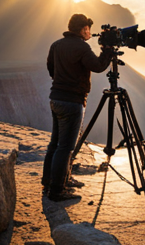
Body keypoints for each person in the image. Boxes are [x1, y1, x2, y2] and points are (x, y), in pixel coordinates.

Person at [43, 14, 113, 201]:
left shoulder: (56, 45)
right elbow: (98, 66)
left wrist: (63, 80)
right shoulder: (82, 47)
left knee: (55, 144)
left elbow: (51, 69)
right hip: (72, 102)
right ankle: (57, 191)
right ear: (83, 29)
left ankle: (50, 181)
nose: (90, 32)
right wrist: (107, 51)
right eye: (88, 28)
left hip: (55, 98)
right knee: (65, 147)